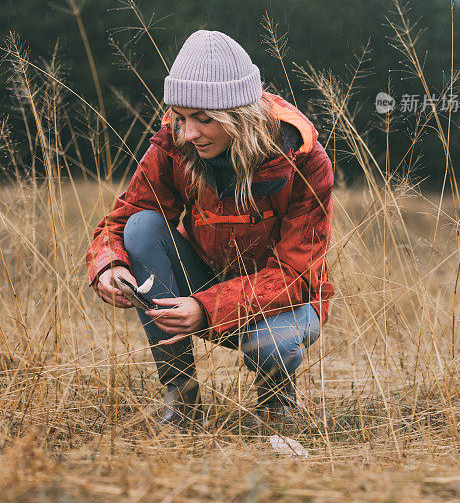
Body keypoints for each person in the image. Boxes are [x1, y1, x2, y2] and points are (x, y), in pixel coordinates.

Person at [87, 30, 334, 429]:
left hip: (283, 305)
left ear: (241, 115)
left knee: (272, 344)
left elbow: (297, 275)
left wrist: (205, 308)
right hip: (203, 278)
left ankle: (276, 401)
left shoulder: (305, 161)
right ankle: (181, 398)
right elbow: (122, 220)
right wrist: (108, 265)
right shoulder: (174, 141)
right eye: (181, 117)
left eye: (204, 119)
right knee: (142, 227)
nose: (188, 133)